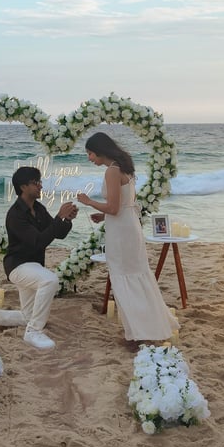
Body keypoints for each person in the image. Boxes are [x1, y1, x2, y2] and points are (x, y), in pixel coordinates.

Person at [76, 131, 178, 345]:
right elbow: (124, 204)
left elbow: (114, 207)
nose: (89, 158)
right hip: (128, 225)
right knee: (136, 275)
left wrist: (89, 202)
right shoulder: (124, 167)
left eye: (90, 153)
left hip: (121, 231)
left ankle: (140, 333)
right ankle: (147, 328)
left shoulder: (112, 171)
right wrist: (103, 215)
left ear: (100, 151)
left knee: (124, 277)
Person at [0, 166, 78, 350]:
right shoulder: (15, 215)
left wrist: (66, 220)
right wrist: (58, 216)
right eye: (36, 182)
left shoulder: (38, 208)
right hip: (18, 266)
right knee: (50, 280)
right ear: (23, 187)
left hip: (34, 266)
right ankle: (33, 332)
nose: (40, 186)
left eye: (40, 181)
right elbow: (38, 242)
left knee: (28, 316)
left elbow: (57, 233)